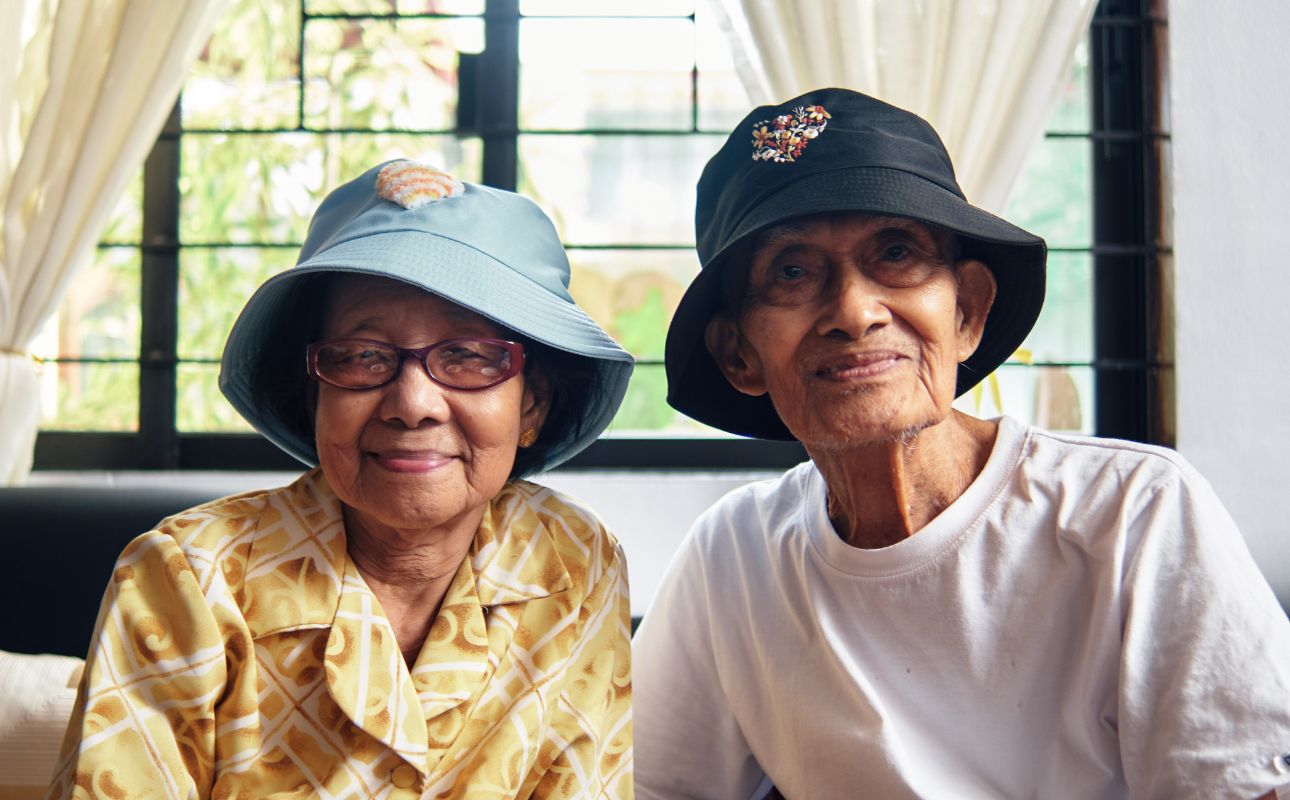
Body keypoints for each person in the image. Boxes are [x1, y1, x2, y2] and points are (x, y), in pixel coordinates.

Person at [633, 87, 1290, 799]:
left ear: (968, 312)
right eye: (791, 270)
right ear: (740, 356)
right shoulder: (732, 559)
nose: (854, 311)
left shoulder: (1135, 516)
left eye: (895, 252)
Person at [48, 160, 636, 799]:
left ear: (532, 405)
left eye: (468, 356)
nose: (413, 403)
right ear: (313, 395)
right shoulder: (186, 578)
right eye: (363, 356)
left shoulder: (573, 560)